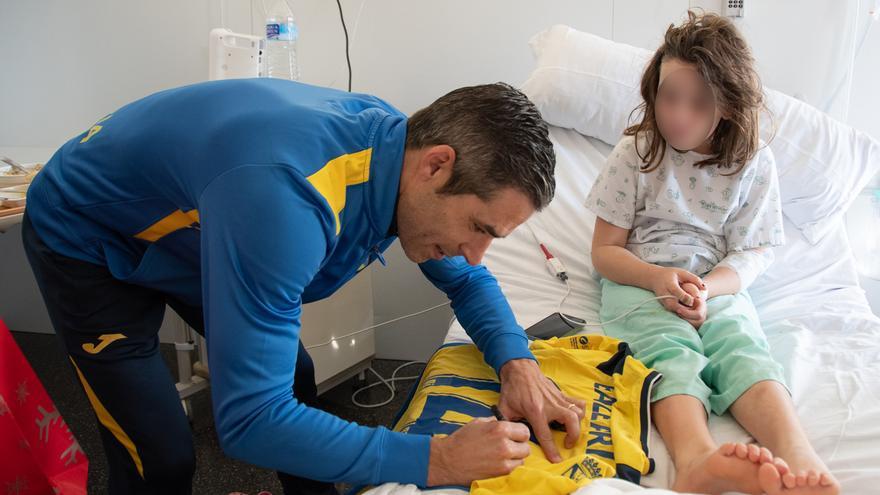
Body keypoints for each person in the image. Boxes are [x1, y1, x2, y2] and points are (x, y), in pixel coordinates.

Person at [22, 79, 587, 494]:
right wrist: (436, 460)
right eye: (479, 229)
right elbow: (249, 423)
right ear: (436, 167)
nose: (475, 255)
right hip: (88, 235)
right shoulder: (287, 198)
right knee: (160, 457)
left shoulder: (399, 154)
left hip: (189, 224)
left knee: (292, 377)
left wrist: (519, 366)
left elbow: (468, 283)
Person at [586, 11, 838, 495]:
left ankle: (799, 455)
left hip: (715, 280)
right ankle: (697, 459)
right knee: (668, 350)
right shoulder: (636, 154)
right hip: (638, 278)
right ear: (652, 90)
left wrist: (707, 288)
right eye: (669, 96)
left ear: (727, 104)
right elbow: (604, 252)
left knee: (741, 345)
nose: (679, 115)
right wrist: (657, 279)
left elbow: (753, 252)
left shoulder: (752, 162)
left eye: (699, 103)